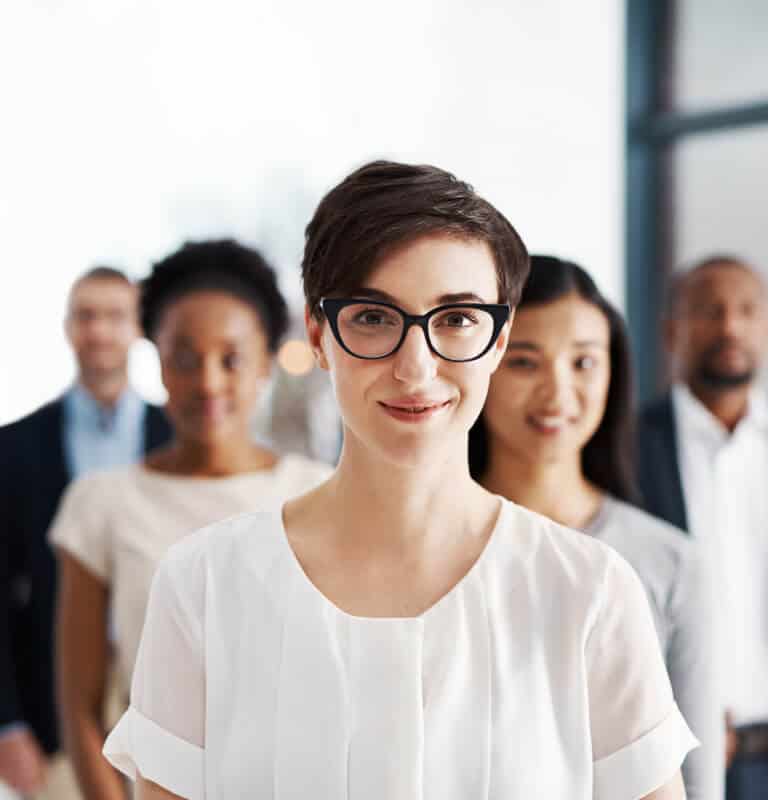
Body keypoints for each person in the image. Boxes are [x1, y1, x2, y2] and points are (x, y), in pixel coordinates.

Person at [103, 161, 696, 800]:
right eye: (374, 318)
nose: (416, 369)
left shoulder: (589, 592)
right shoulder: (204, 582)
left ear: (499, 339)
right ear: (318, 334)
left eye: (457, 319)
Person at [49, 240, 332, 800]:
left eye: (231, 359)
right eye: (184, 357)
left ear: (266, 362)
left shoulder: (319, 492)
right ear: (155, 358)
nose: (207, 382)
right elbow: (80, 703)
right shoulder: (101, 503)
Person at [470, 255, 723, 799]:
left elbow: (697, 781)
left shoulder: (670, 562)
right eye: (524, 362)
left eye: (584, 363)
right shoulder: (429, 545)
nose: (558, 393)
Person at [0, 267, 172, 799]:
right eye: (86, 315)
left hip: (167, 703)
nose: (99, 330)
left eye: (114, 316)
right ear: (68, 328)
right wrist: (7, 726)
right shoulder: (14, 448)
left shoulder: (179, 437)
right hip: (52, 711)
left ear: (137, 328)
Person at [638, 255, 768, 800]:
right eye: (708, 310)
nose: (730, 325)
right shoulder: (625, 446)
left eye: (747, 309)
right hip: (672, 757)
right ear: (670, 331)